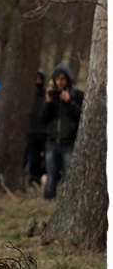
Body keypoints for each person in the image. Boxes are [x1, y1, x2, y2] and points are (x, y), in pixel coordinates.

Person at [42, 64, 83, 201]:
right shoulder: (51, 96)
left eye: (63, 79)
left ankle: (70, 200)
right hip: (52, 141)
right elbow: (43, 118)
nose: (60, 82)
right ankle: (48, 200)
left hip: (68, 142)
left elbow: (80, 115)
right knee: (51, 176)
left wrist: (69, 101)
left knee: (70, 175)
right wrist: (48, 102)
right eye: (58, 79)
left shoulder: (76, 95)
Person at [25, 68, 48, 189]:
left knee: (45, 159)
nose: (38, 81)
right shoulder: (29, 95)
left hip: (45, 133)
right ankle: (33, 180)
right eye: (37, 78)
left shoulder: (47, 95)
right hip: (32, 133)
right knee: (32, 158)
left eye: (40, 78)